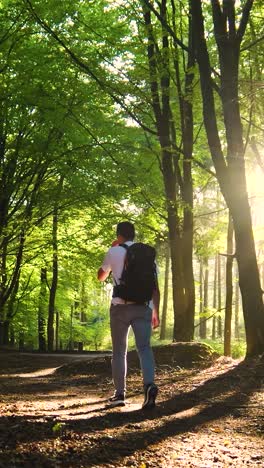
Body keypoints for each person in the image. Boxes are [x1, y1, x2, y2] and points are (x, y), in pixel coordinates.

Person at [97, 221, 160, 409]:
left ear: (119, 235)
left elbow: (101, 276)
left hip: (120, 307)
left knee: (119, 351)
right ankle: (149, 386)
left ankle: (119, 395)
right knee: (144, 348)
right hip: (143, 306)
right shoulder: (147, 254)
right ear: (134, 235)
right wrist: (156, 310)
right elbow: (155, 287)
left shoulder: (114, 251)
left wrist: (112, 250)